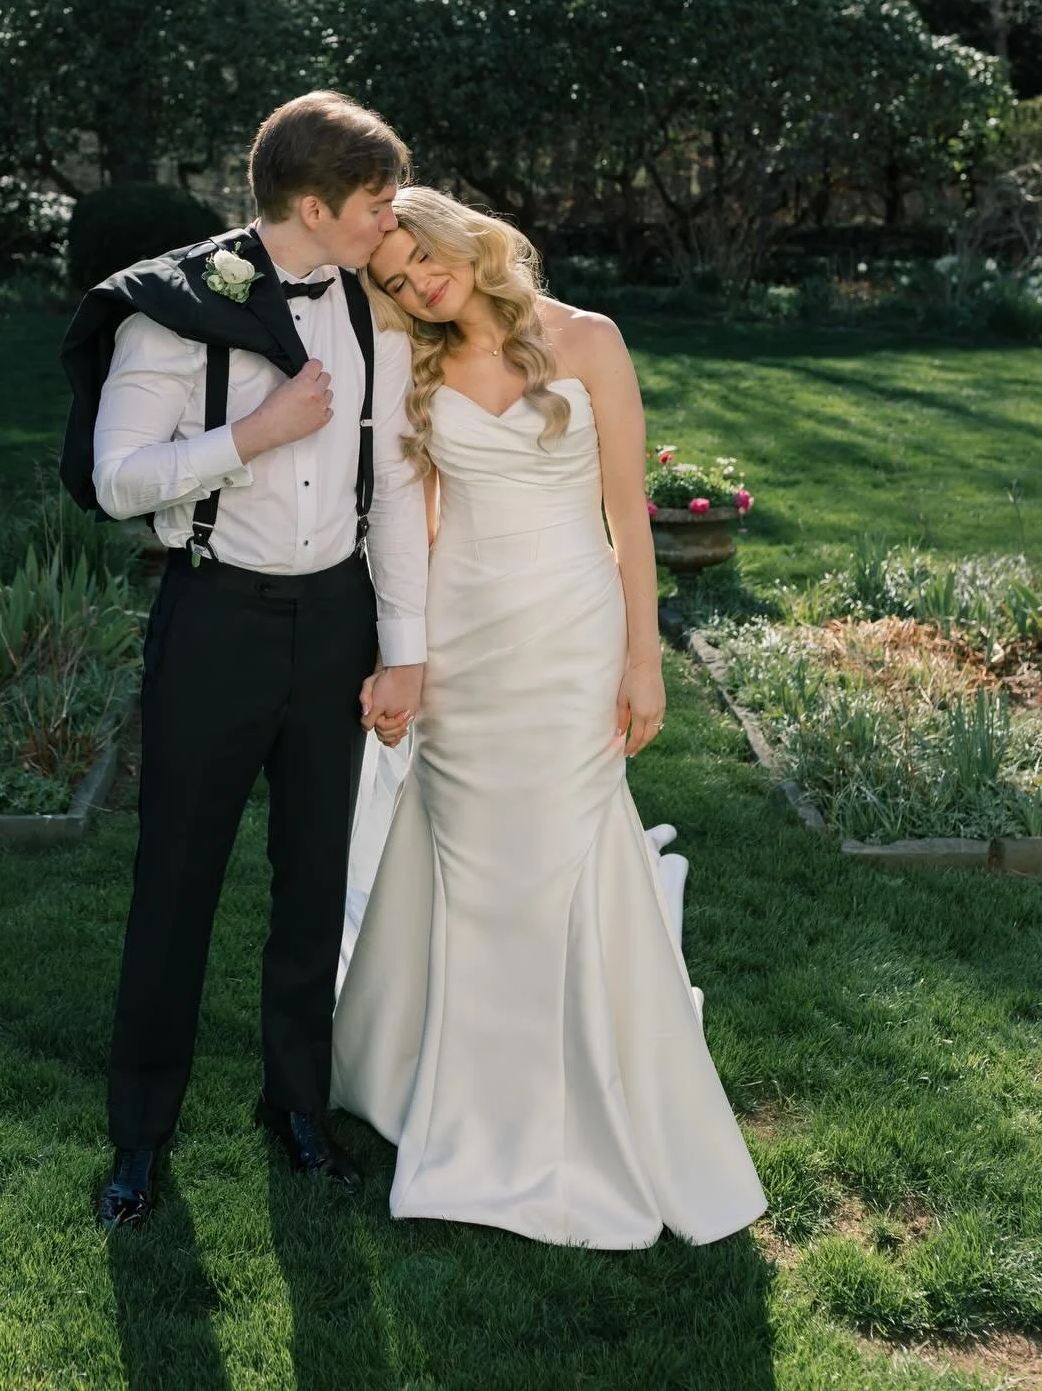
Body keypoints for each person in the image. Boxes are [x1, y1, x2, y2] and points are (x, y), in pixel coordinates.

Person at [332, 187, 766, 1247]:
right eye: (393, 283)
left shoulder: (588, 339)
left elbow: (629, 511)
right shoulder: (415, 369)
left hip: (570, 633)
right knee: (468, 852)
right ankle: (453, 1088)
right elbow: (419, 521)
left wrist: (643, 661)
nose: (418, 283)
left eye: (420, 258)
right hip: (464, 632)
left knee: (566, 846)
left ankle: (589, 1092)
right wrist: (410, 661)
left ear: (459, 235)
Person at [65, 92, 428, 1230]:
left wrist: (404, 653)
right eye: (376, 203)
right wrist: (251, 438)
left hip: (338, 624)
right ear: (315, 206)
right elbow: (116, 478)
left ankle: (297, 1104)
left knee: (317, 874)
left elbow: (405, 485)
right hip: (214, 619)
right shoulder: (174, 310)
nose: (393, 220)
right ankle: (140, 1137)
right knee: (177, 880)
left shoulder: (382, 306)